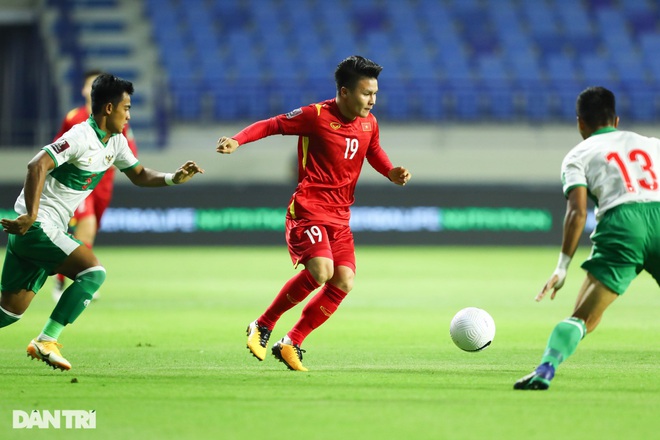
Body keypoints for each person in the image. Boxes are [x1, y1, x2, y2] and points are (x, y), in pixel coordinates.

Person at [216, 55, 411, 371]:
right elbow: (272, 124)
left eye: (375, 93)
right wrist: (238, 141)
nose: (372, 101)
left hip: (340, 217)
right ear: (344, 92)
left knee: (344, 281)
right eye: (366, 93)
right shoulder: (315, 115)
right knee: (321, 271)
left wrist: (390, 172)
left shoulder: (369, 123)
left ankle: (291, 341)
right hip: (309, 210)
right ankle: (263, 324)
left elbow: (372, 151)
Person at [0, 73, 203, 371]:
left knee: (8, 313)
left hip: (41, 230)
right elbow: (37, 164)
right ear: (109, 108)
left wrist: (174, 178)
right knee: (93, 273)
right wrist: (31, 214)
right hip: (38, 225)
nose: (129, 115)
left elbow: (139, 174)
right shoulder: (80, 136)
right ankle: (46, 340)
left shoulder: (116, 141)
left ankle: (44, 339)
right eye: (127, 108)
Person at [515, 86, 660, 390]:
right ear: (616, 120)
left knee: (583, 318)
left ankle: (546, 368)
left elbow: (578, 213)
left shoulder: (577, 155)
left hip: (623, 225)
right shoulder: (652, 144)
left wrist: (562, 266)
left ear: (580, 122)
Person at [52, 69, 139, 302]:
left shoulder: (119, 121)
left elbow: (129, 152)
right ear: (85, 90)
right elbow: (56, 149)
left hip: (104, 183)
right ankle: (81, 275)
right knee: (86, 224)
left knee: (88, 232)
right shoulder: (74, 118)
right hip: (82, 181)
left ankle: (65, 275)